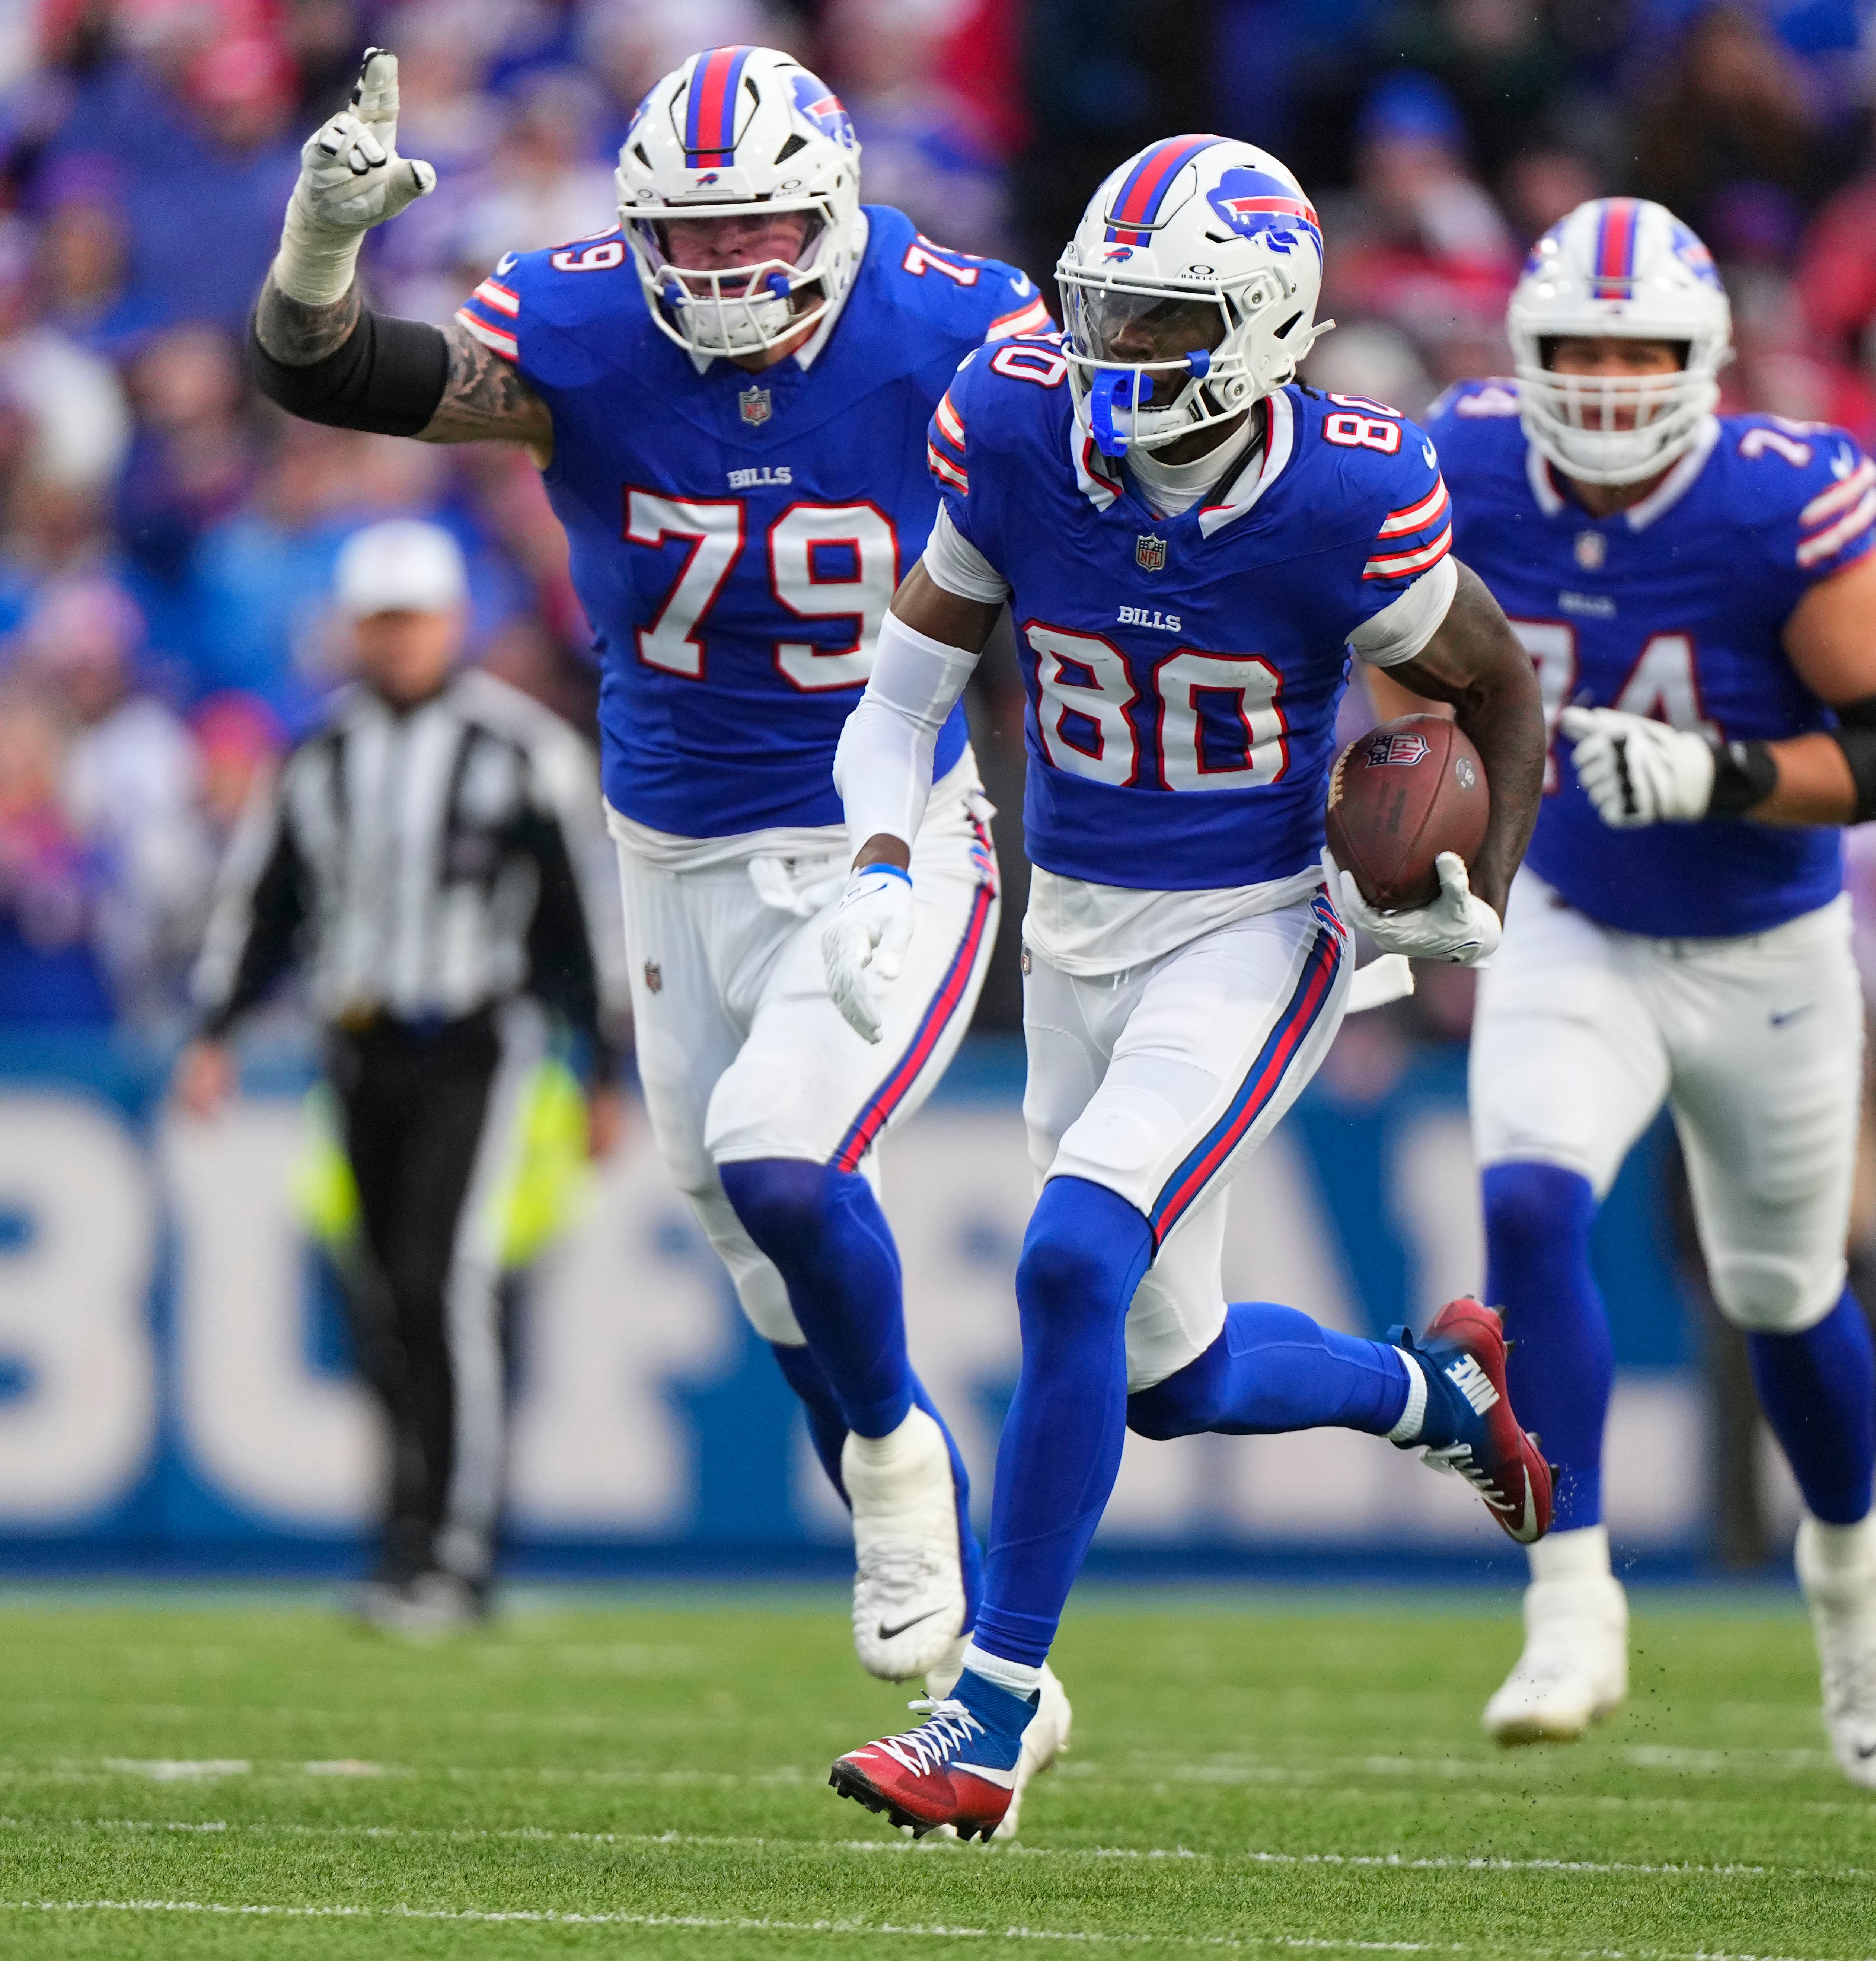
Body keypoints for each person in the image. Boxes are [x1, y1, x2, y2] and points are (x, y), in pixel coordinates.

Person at [240, 48, 1066, 1746]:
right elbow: (323, 370)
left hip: (881, 831)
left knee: (785, 1159)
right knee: (755, 1248)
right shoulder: (578, 328)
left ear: (832, 210)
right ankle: (1004, 1677)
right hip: (666, 850)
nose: (724, 268)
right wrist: (317, 249)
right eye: (687, 237)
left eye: (758, 224)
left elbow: (1129, 522)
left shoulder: (964, 330)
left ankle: (898, 1469)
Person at [819, 136, 1555, 1840]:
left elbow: (1500, 686)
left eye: (1159, 323)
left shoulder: (1343, 494)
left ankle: (988, 1721)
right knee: (1171, 1373)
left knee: (1072, 1254)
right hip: (1071, 922)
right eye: (1102, 312)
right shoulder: (1016, 427)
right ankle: (1436, 1392)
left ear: (1263, 326)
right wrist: (874, 861)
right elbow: (902, 690)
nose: (1113, 356)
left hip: (1253, 922)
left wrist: (1479, 896)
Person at [1411, 198, 1876, 1787]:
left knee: (1786, 1293)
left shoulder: (1772, 503)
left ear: (1702, 361)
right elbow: (1398, 658)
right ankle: (1568, 1593)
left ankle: (1850, 1571)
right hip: (1574, 918)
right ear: (1522, 357)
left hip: (1765, 949)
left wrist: (1719, 771)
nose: (1602, 377)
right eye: (1574, 347)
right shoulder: (1468, 466)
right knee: (1523, 1205)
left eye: (1636, 347)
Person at [176, 518, 627, 1630]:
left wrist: (607, 1068)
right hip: (356, 1044)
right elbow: (265, 904)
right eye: (378, 621)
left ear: (452, 622)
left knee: (445, 1285)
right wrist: (216, 1030)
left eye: (411, 619)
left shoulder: (521, 751)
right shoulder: (317, 755)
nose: (395, 641)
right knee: (381, 1297)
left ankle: (457, 1554)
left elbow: (585, 923)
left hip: (481, 1045)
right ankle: (402, 1539)